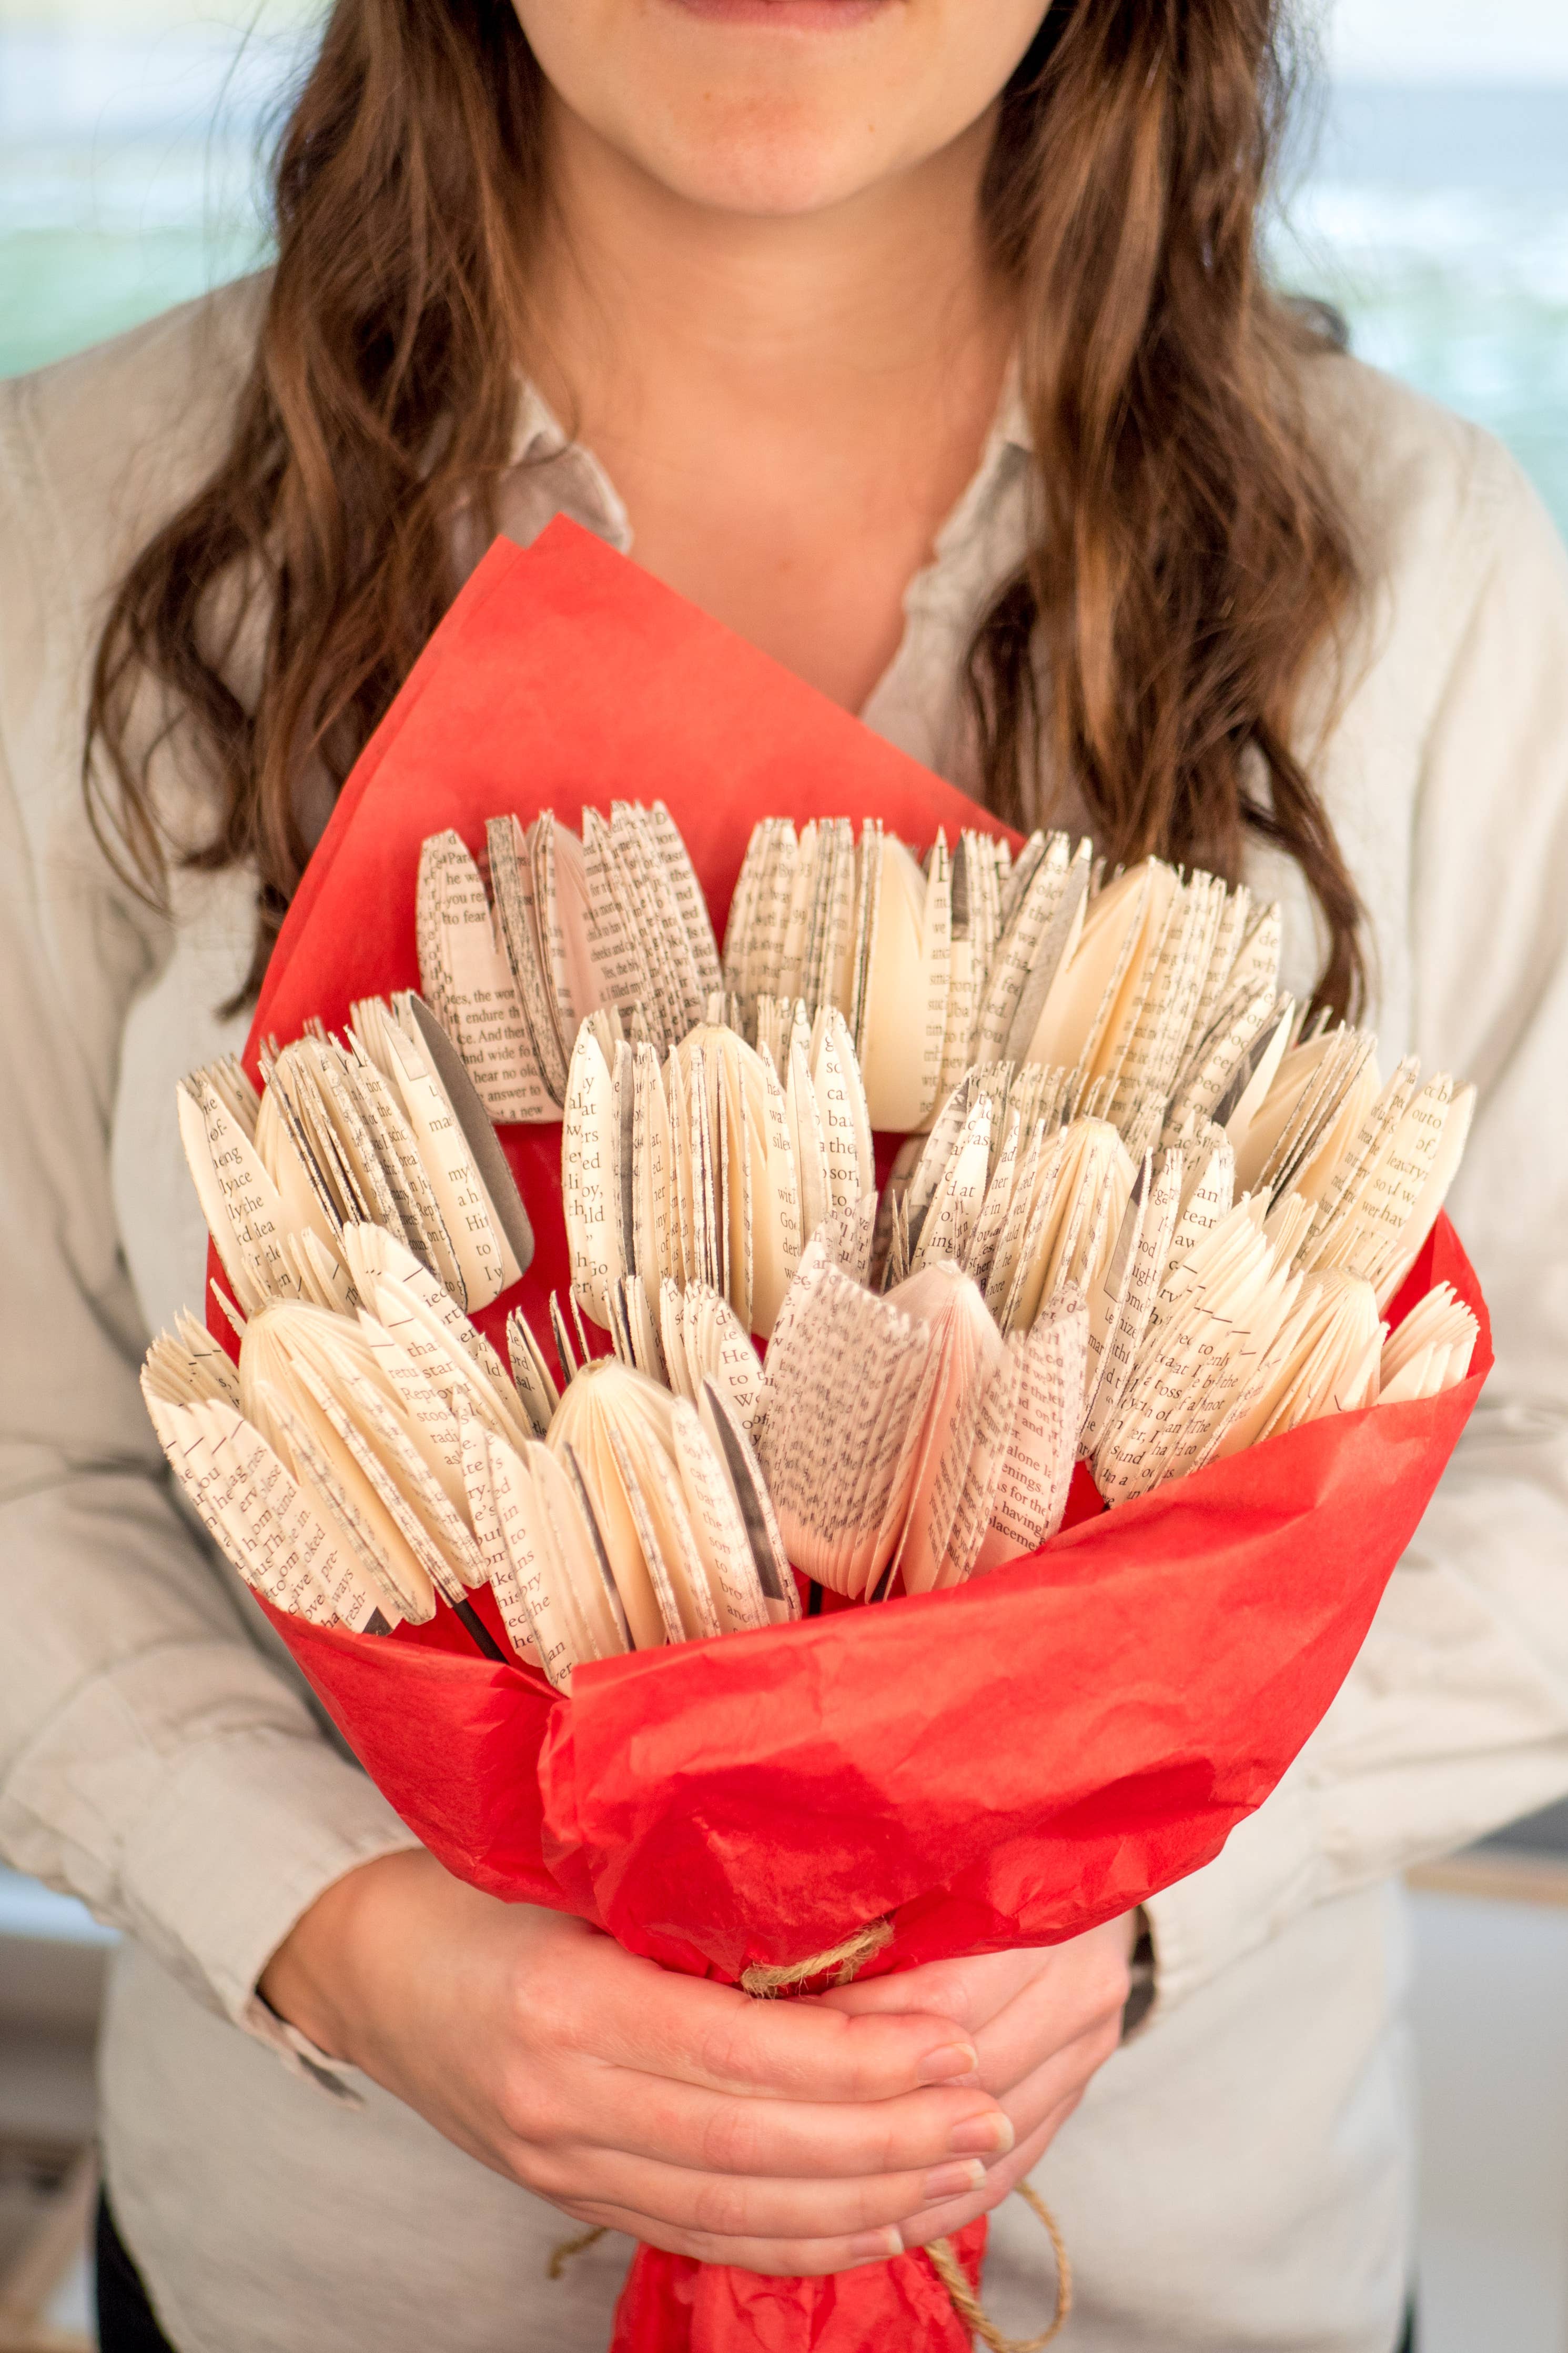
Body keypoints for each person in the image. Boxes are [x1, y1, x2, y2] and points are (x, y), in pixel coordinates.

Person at [1, 1, 1564, 2347]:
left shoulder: (1420, 566)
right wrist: (347, 1927)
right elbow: (25, 1452)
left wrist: (1120, 1891)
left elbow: (1537, 1437)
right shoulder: (81, 522)